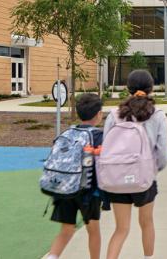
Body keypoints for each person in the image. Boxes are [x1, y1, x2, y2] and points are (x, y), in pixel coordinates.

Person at [103, 70, 167, 259]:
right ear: (151, 88)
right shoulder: (157, 115)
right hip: (145, 177)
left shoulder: (114, 114)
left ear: (128, 88)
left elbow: (105, 146)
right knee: (146, 223)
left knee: (121, 229)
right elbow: (163, 153)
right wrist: (153, 170)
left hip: (117, 176)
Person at [44, 93, 105, 259]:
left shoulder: (67, 132)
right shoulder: (99, 135)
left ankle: (52, 256)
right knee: (93, 231)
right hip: (88, 191)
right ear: (99, 114)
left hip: (64, 187)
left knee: (66, 230)